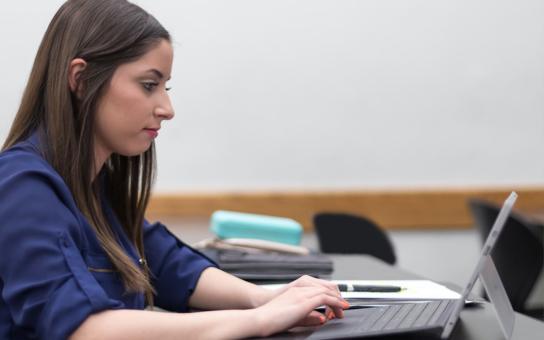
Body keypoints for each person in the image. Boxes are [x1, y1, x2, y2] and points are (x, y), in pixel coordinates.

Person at [0, 0, 349, 339]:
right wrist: (259, 320)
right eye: (149, 85)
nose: (167, 108)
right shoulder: (22, 185)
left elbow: (166, 264)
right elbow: (83, 329)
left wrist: (266, 297)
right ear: (81, 78)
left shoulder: (92, 185)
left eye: (165, 87)